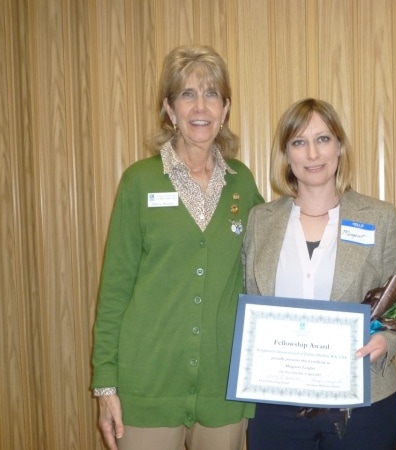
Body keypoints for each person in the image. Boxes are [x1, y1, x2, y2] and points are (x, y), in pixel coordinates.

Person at [91, 45, 263, 450]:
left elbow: (268, 265)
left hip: (223, 393)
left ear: (225, 109)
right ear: (170, 110)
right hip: (148, 388)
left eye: (211, 94)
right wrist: (105, 386)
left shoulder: (243, 182)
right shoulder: (139, 182)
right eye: (187, 94)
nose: (200, 106)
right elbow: (114, 291)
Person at [243, 98, 396, 450]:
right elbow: (249, 299)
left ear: (340, 147)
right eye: (299, 142)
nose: (313, 154)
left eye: (323, 139)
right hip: (277, 404)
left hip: (363, 400)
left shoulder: (378, 217)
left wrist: (387, 342)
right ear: (286, 155)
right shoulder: (261, 220)